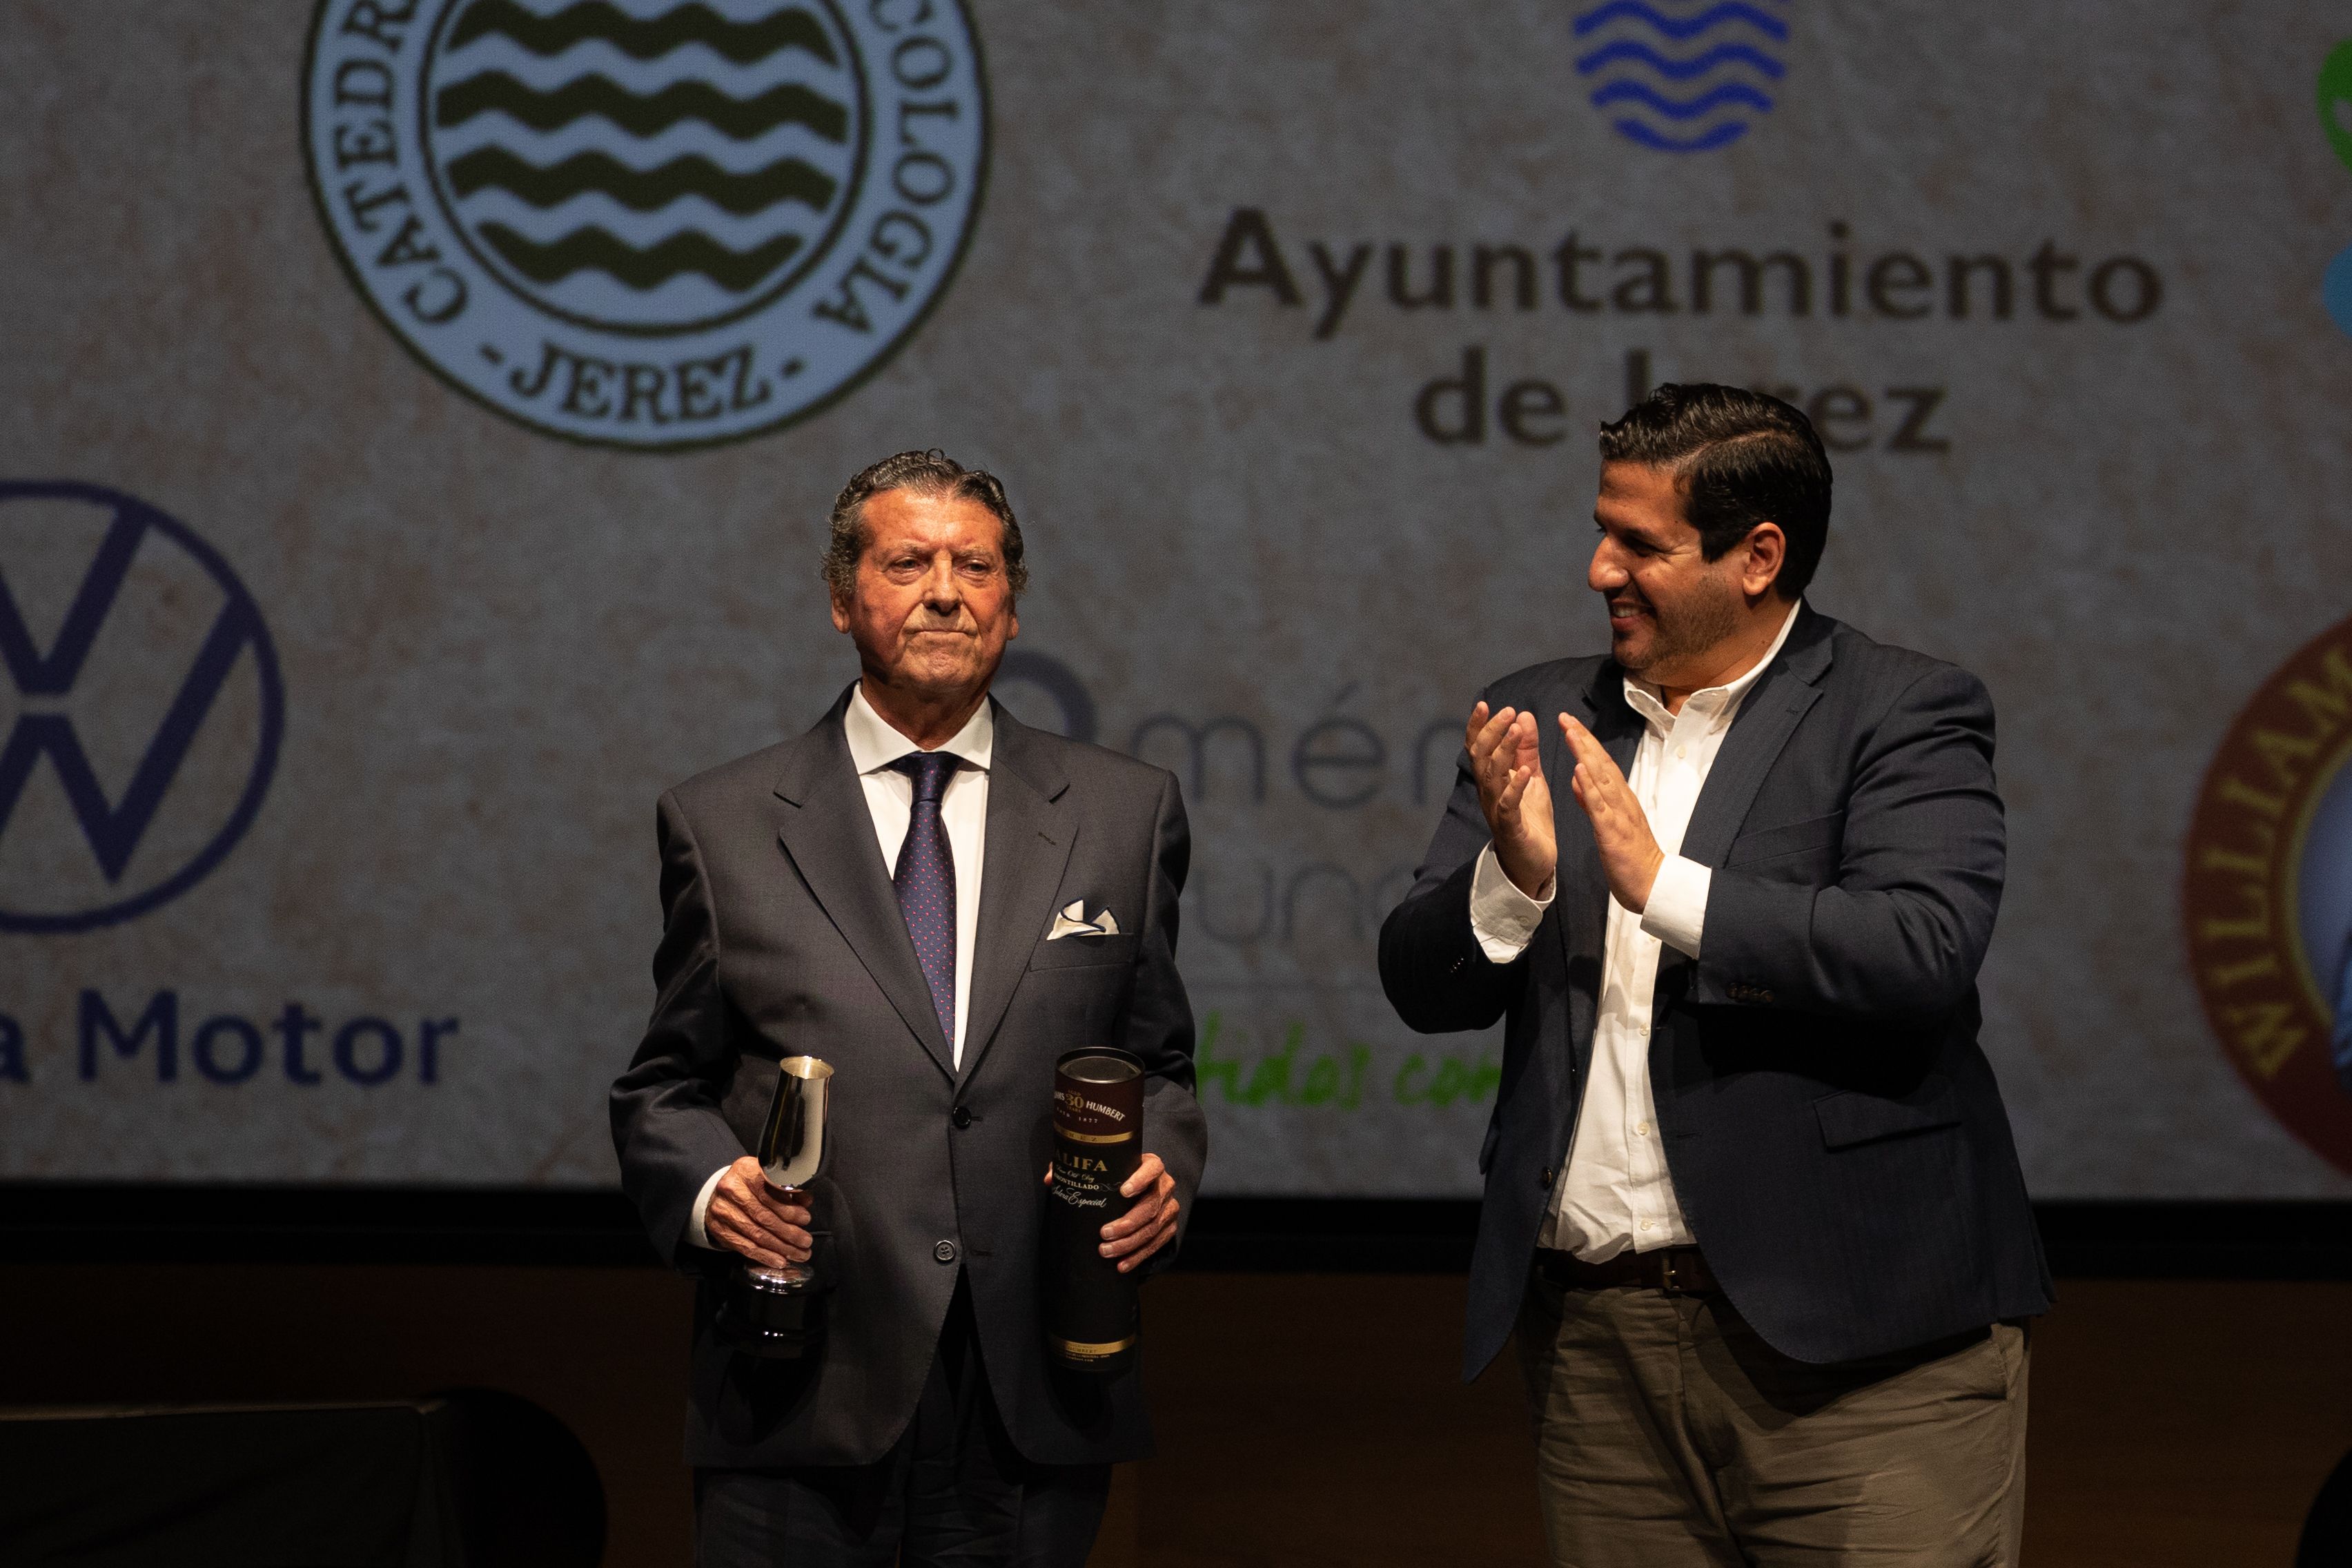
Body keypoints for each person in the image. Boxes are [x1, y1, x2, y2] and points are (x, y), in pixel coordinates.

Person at [1379, 385, 2051, 1567]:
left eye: (1640, 544)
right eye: (1600, 530)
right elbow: (1422, 985)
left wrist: (1666, 888)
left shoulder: (1899, 711)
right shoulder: (1543, 709)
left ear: (1759, 557)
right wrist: (1514, 882)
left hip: (1861, 1347)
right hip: (1599, 1349)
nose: (1599, 569)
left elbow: (1922, 948)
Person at [611, 451, 1206, 1567]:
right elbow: (660, 1087)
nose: (945, 590)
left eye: (974, 565)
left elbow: (1160, 1064)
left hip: (1031, 1393)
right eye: (908, 562)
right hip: (802, 1387)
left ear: (1011, 608)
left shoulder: (1125, 813)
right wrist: (707, 1187)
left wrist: (1164, 1166)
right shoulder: (723, 821)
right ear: (843, 600)